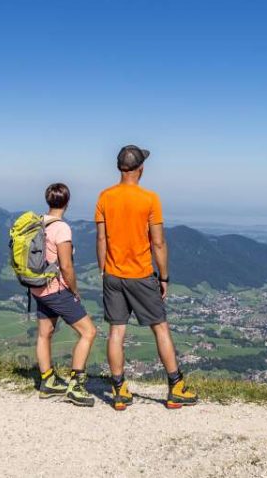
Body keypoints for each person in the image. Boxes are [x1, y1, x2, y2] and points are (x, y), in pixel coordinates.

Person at [96, 145, 198, 410]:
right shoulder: (150, 199)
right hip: (141, 274)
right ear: (141, 169)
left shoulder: (104, 197)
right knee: (160, 328)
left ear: (120, 168)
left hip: (112, 274)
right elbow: (159, 243)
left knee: (116, 332)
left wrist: (102, 270)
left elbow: (100, 239)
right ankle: (175, 387)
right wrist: (164, 277)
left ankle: (119, 390)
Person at [32, 183, 97, 407]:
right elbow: (66, 266)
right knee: (89, 332)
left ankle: (47, 381)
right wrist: (75, 291)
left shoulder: (37, 222)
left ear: (48, 201)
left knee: (45, 333)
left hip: (38, 288)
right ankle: (75, 385)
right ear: (67, 203)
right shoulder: (62, 228)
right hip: (56, 289)